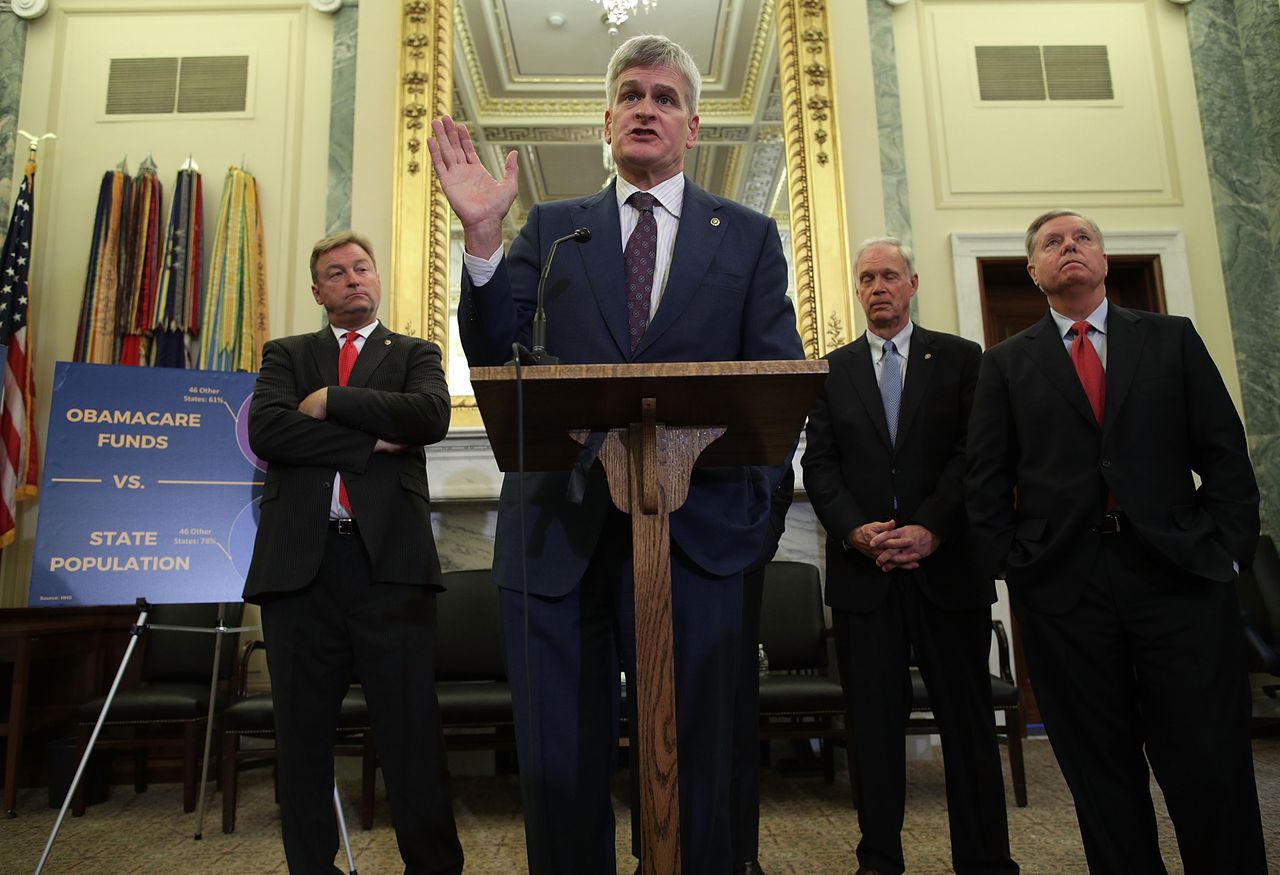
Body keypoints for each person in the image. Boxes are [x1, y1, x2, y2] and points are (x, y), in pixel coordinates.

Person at [427, 33, 803, 875]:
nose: (645, 107)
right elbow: (497, 354)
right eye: (631, 94)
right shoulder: (552, 231)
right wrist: (483, 239)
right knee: (559, 759)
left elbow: (777, 383)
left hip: (700, 538)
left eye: (664, 98)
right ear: (607, 120)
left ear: (693, 127)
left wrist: (756, 526)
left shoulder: (746, 235)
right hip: (560, 536)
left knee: (701, 763)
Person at [966, 209, 1267, 873]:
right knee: (1101, 773)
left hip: (1180, 579)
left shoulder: (1170, 340)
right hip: (1066, 588)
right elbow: (983, 483)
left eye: (1083, 238)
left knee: (1208, 763)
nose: (1069, 247)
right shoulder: (1005, 366)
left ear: (1103, 260)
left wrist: (1227, 550)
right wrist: (1015, 566)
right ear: (1034, 270)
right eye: (1053, 241)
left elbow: (1225, 455)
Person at [242, 231, 464, 875]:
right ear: (318, 291)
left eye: (361, 268)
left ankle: (433, 867)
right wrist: (367, 445)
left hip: (388, 568)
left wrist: (330, 403)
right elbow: (267, 431)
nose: (352, 279)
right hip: (299, 571)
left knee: (410, 733)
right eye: (335, 273)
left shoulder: (416, 353)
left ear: (377, 277)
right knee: (303, 737)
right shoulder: (286, 353)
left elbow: (427, 417)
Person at [801, 237, 1018, 875]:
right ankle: (879, 860)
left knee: (968, 724)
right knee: (871, 730)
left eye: (889, 276)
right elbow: (820, 466)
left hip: (947, 572)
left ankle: (985, 860)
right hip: (865, 579)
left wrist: (931, 529)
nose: (878, 288)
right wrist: (853, 532)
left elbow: (972, 457)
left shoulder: (959, 358)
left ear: (912, 283)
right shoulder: (831, 371)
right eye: (867, 278)